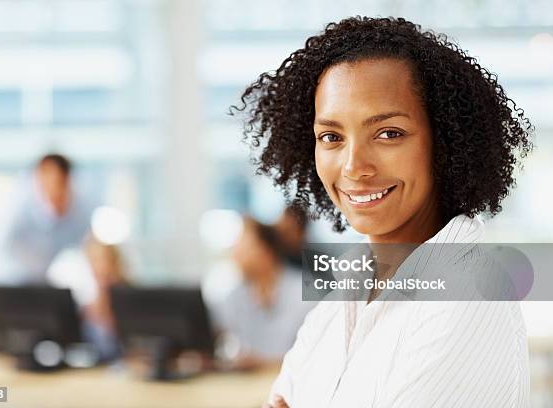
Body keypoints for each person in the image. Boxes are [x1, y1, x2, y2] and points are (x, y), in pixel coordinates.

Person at [231, 17, 533, 408]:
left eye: (389, 133)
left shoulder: (470, 294)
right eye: (332, 137)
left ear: (443, 142)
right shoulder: (344, 295)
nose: (354, 166)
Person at [211, 216, 313, 369]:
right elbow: (217, 331)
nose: (236, 256)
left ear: (266, 252)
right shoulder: (236, 294)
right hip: (246, 385)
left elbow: (314, 358)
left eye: (244, 247)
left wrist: (263, 364)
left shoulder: (305, 294)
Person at [2, 154, 94, 282]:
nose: (48, 186)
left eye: (54, 179)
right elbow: (10, 247)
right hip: (31, 283)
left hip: (71, 284)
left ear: (66, 179)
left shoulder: (84, 214)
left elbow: (89, 252)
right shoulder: (22, 214)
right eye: (42, 179)